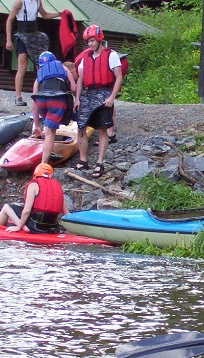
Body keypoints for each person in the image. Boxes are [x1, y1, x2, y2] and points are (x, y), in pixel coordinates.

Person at [74, 25, 123, 179]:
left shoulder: (111, 55)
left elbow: (119, 76)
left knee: (102, 129)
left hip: (104, 93)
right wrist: (77, 98)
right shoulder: (84, 58)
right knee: (81, 128)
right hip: (88, 94)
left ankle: (100, 162)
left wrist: (112, 97)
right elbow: (81, 79)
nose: (90, 44)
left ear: (99, 39)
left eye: (92, 41)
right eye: (88, 41)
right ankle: (83, 160)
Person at [4, 0, 61, 107]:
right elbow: (9, 20)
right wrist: (8, 39)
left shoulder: (38, 2)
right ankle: (18, 97)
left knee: (41, 64)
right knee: (22, 67)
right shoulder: (19, 2)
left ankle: (41, 92)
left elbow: (45, 15)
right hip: (22, 35)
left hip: (34, 35)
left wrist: (59, 14)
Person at [31, 51, 76, 164]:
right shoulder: (64, 68)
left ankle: (48, 148)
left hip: (41, 101)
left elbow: (34, 103)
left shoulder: (39, 77)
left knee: (48, 127)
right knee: (51, 132)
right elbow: (74, 88)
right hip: (56, 99)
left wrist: (36, 125)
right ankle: (43, 163)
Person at [0, 163, 68, 233]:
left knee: (6, 207)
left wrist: (19, 226)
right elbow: (66, 214)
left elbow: (27, 211)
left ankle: (23, 227)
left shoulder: (33, 185)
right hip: (52, 228)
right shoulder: (57, 187)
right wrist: (69, 232)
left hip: (34, 226)